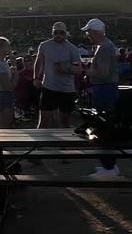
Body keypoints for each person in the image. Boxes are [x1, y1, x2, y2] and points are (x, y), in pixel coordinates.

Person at [83, 18, 121, 176]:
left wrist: (86, 71)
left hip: (104, 89)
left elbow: (103, 74)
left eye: (89, 32)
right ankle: (109, 165)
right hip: (107, 89)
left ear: (96, 32)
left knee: (103, 128)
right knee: (105, 127)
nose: (87, 35)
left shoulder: (104, 48)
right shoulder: (107, 46)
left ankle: (109, 167)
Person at [33, 22, 82, 128]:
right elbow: (39, 62)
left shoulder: (73, 49)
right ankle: (39, 144)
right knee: (44, 122)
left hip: (67, 89)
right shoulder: (44, 45)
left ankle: (65, 144)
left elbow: (78, 69)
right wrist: (36, 78)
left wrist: (65, 68)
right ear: (52, 33)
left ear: (66, 34)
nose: (58, 35)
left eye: (61, 33)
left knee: (65, 123)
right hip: (49, 88)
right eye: (56, 32)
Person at [0, 37, 16, 127]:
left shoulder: (2, 62)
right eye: (7, 46)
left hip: (5, 94)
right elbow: (8, 86)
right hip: (4, 95)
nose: (10, 49)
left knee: (8, 123)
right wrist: (14, 68)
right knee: (6, 124)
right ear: (0, 48)